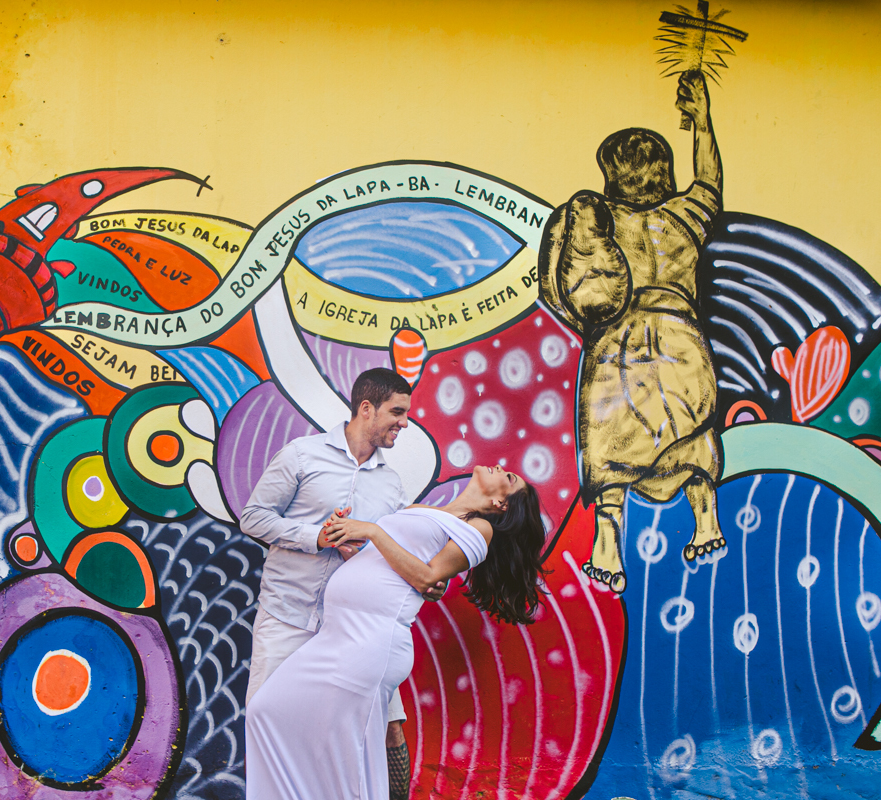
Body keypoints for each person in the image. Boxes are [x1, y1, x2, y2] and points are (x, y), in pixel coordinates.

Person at [245, 465, 548, 800]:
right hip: (337, 635)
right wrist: (352, 545)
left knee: (348, 759)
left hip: (372, 641)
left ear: (502, 504)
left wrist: (374, 532)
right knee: (266, 713)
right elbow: (390, 566)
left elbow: (428, 578)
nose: (501, 468)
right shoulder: (428, 511)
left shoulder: (479, 529)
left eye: (509, 478)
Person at [538, 70, 725, 594]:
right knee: (691, 427)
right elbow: (710, 182)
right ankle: (705, 515)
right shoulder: (686, 216)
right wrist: (702, 122)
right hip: (681, 336)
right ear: (662, 171)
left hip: (618, 342)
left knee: (609, 435)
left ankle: (606, 538)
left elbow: (568, 278)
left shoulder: (600, 223)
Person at [240, 368, 443, 800]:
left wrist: (415, 574)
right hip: (288, 617)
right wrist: (317, 538)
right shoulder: (301, 455)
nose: (405, 423)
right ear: (366, 408)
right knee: (266, 724)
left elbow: (384, 551)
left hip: (352, 631)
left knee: (388, 728)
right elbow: (253, 517)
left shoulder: (391, 485)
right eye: (398, 412)